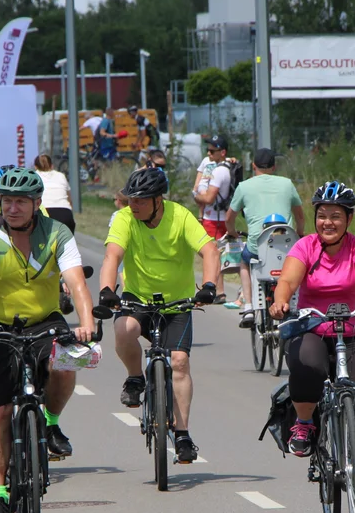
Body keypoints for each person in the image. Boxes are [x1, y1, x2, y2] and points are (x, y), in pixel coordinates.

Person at [0, 167, 96, 513]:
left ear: (37, 203)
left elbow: (76, 282)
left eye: (21, 201)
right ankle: (0, 494)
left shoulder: (57, 232)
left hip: (45, 319)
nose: (13, 208)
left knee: (67, 363)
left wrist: (87, 320)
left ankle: (50, 423)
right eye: (7, 201)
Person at [269, 181, 355, 513]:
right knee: (309, 366)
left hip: (353, 330)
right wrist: (281, 300)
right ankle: (304, 423)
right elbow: (288, 280)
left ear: (349, 219)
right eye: (322, 215)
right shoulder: (304, 246)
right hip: (313, 326)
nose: (327, 222)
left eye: (335, 216)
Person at [99, 167, 221, 463]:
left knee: (179, 362)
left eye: (141, 200)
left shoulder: (179, 216)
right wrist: (106, 290)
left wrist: (208, 286)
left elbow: (210, 251)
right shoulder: (126, 218)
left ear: (158, 200)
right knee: (124, 329)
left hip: (176, 302)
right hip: (137, 298)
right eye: (131, 199)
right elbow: (112, 255)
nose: (133, 205)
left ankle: (182, 435)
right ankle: (135, 378)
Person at [225, 148, 305, 327]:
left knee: (245, 262)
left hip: (257, 246)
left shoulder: (244, 186)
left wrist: (231, 232)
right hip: (286, 245)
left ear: (253, 166)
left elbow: (229, 217)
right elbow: (300, 216)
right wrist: (299, 234)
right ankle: (296, 306)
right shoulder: (287, 183)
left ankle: (248, 306)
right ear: (274, 167)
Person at [33, 153, 74, 232]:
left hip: (44, 213)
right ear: (52, 165)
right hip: (65, 213)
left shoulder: (35, 177)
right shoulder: (61, 176)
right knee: (67, 242)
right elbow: (69, 199)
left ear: (35, 167)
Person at [193, 134, 227, 221]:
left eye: (212, 151)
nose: (208, 153)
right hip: (204, 184)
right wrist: (196, 187)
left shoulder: (223, 166)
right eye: (207, 150)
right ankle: (201, 215)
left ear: (222, 152)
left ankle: (202, 215)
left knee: (207, 197)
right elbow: (200, 173)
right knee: (203, 193)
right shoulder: (206, 160)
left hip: (212, 187)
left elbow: (229, 160)